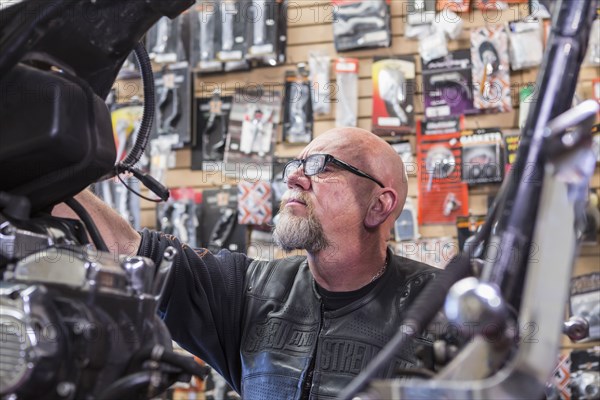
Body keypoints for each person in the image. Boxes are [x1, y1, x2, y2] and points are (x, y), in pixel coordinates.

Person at [54, 127, 438, 399]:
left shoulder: (445, 307)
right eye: (294, 166)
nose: (295, 178)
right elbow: (127, 248)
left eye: (322, 165)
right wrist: (45, 168)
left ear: (379, 205)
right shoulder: (249, 291)